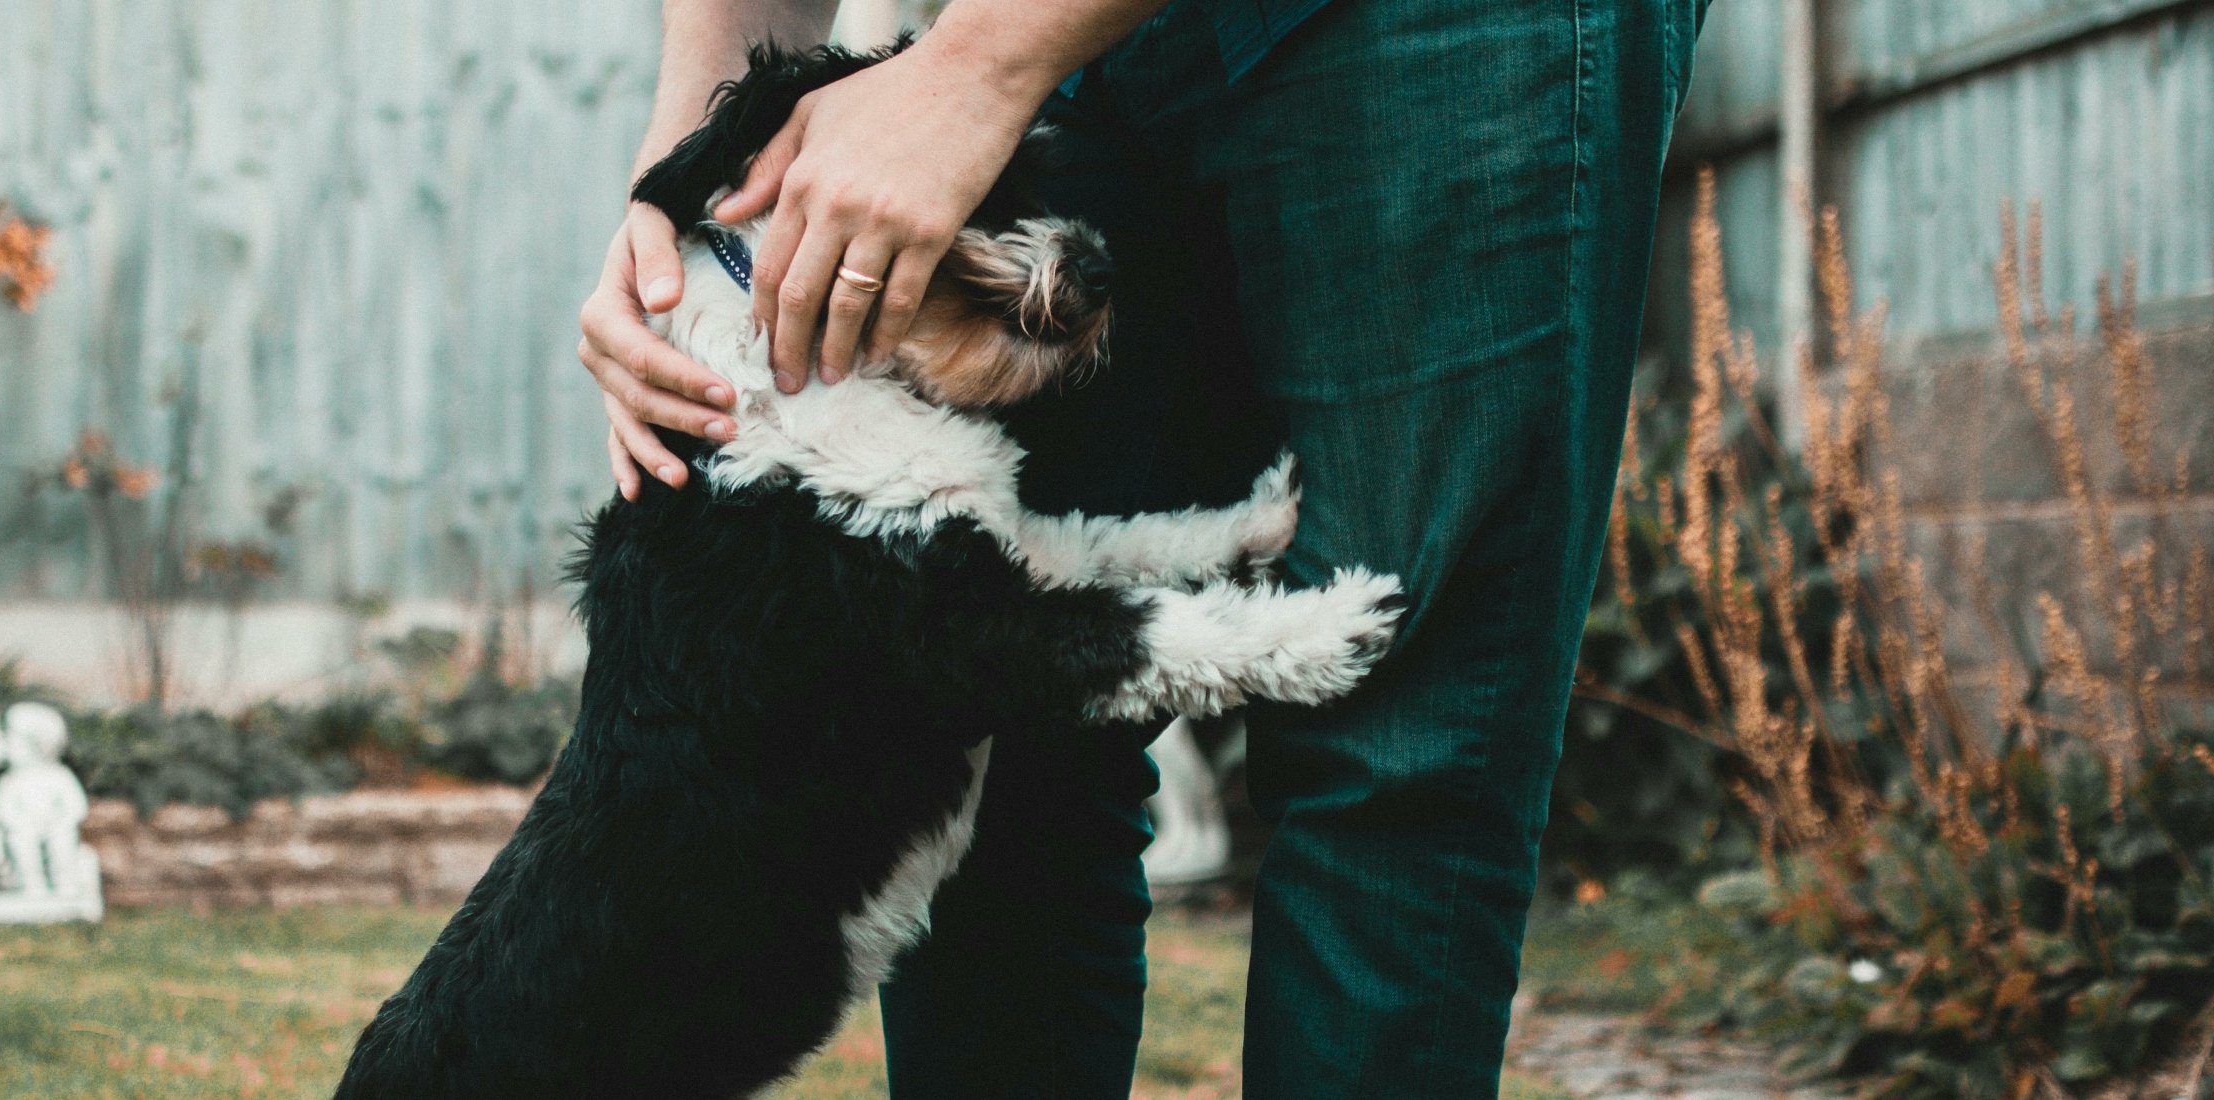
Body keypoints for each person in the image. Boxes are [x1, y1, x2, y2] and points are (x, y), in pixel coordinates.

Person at [577, 0, 1705, 1093]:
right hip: (1048, 44)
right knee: (992, 724)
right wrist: (681, 190)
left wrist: (976, 67)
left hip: (1444, 31)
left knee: (1402, 745)